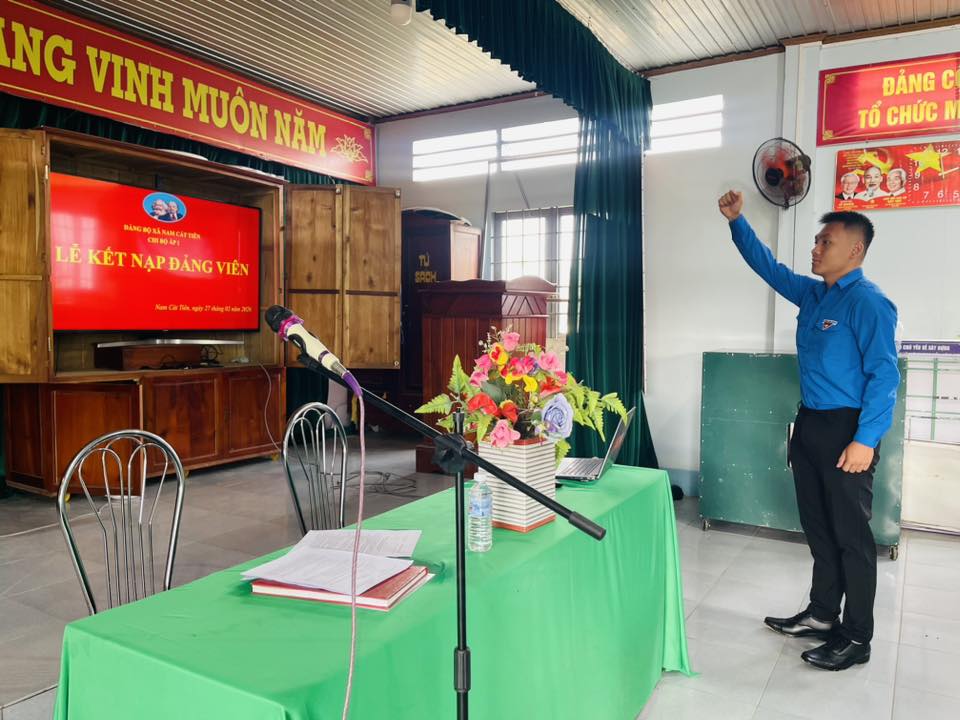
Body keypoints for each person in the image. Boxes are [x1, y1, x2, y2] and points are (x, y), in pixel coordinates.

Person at [717, 190, 899, 672]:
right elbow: (768, 267)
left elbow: (884, 375)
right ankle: (822, 613)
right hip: (812, 424)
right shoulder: (813, 294)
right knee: (818, 528)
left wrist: (865, 439)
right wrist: (737, 221)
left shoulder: (869, 302)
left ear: (854, 250)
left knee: (851, 538)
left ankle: (856, 637)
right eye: (816, 241)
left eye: (825, 242)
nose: (815, 249)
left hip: (848, 430)